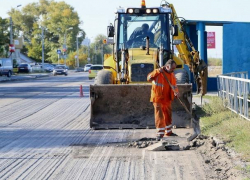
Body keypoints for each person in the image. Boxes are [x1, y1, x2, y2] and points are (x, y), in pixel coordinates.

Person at [147, 59, 180, 141]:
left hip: (167, 98)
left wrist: (176, 92)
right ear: (167, 66)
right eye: (172, 68)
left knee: (168, 115)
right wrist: (157, 71)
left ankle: (168, 132)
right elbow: (149, 78)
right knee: (159, 116)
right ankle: (160, 133)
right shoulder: (158, 72)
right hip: (158, 98)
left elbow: (174, 85)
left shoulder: (171, 74)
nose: (173, 70)